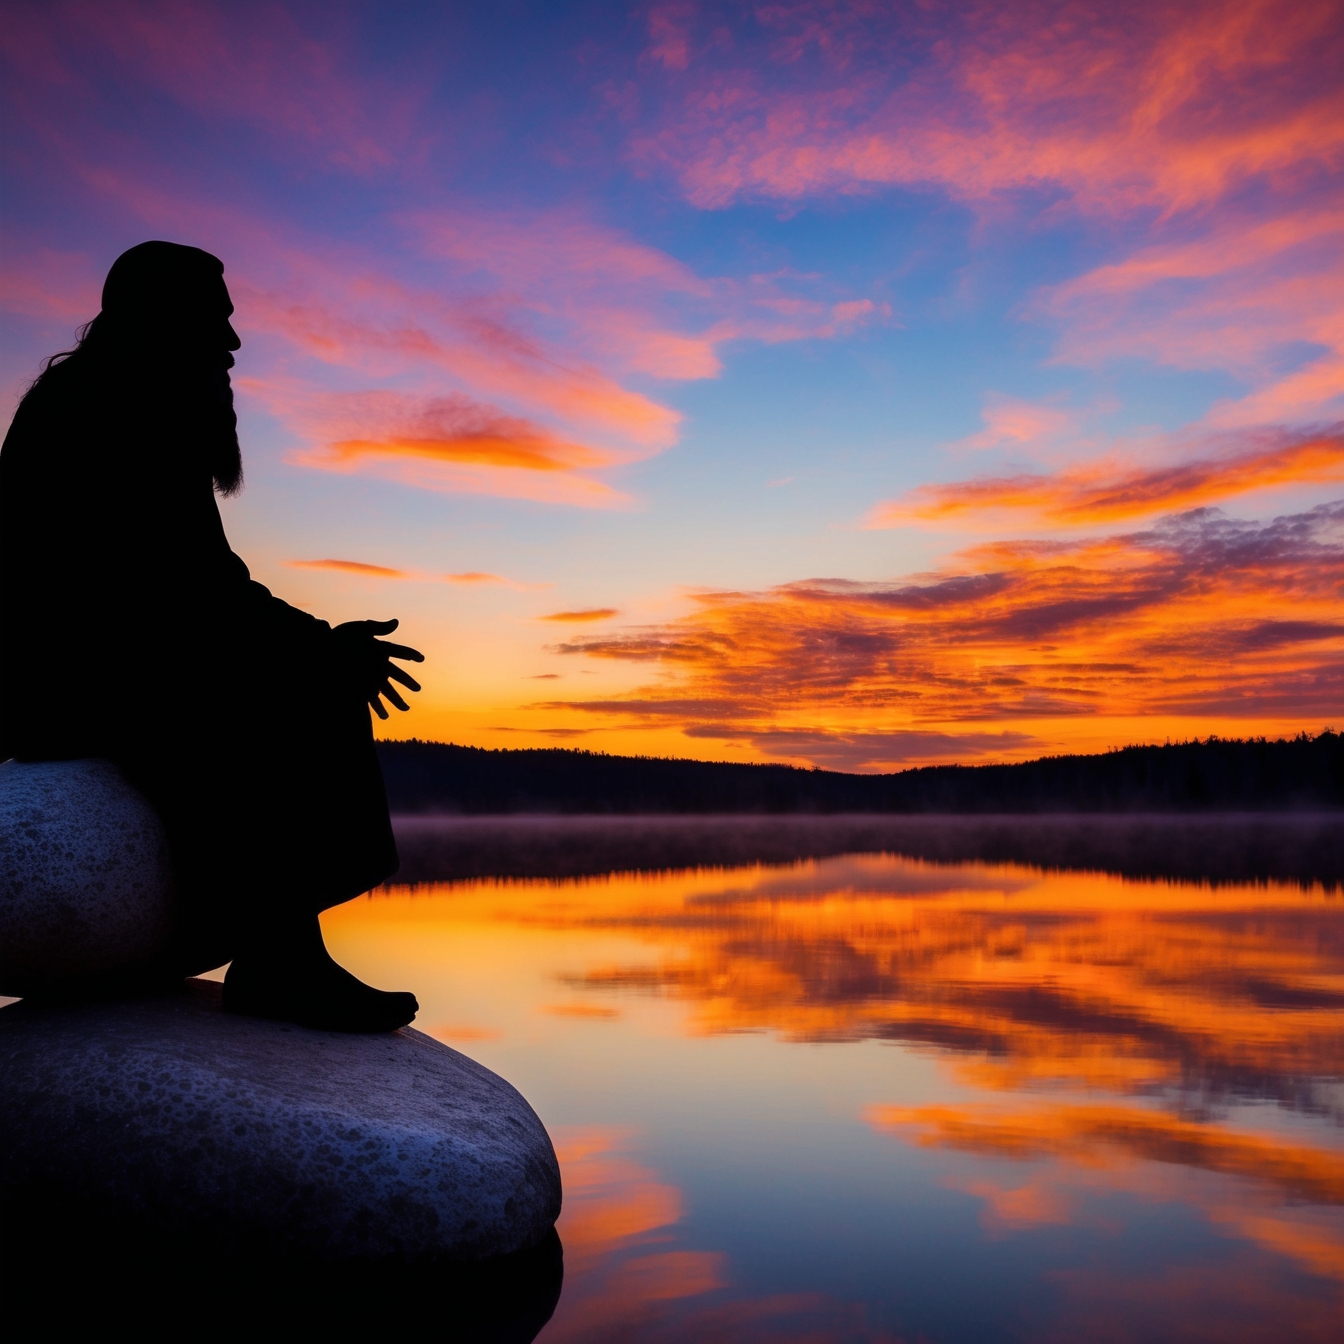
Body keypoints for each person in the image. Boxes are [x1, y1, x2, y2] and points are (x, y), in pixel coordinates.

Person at [0, 241, 423, 1032]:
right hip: (70, 680)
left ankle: (283, 953)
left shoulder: (128, 401)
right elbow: (180, 597)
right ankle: (280, 962)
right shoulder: (101, 409)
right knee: (246, 707)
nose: (231, 345)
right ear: (159, 321)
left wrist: (320, 645)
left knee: (298, 683)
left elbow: (204, 587)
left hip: (125, 658)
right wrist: (321, 648)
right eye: (214, 324)